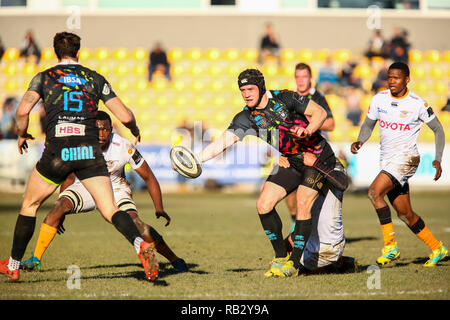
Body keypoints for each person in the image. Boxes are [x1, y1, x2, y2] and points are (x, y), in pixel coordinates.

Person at [0, 32, 158, 282]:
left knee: (30, 205)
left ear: (54, 53)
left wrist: (22, 133)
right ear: (78, 52)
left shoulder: (44, 77)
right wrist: (134, 128)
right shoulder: (93, 78)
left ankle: (14, 264)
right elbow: (125, 116)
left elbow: (22, 111)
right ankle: (139, 244)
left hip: (57, 151)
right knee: (110, 209)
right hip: (89, 150)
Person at [196, 68, 339, 278]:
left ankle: (295, 264)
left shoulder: (286, 97)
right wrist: (195, 160)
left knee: (302, 201)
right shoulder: (246, 117)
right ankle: (281, 258)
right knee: (263, 204)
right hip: (290, 161)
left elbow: (320, 113)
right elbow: (221, 144)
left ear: (261, 87)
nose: (246, 94)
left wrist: (308, 130)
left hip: (316, 157)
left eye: (250, 88)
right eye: (242, 90)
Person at [21, 111, 188, 273]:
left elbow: (149, 177)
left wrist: (159, 207)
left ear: (111, 130)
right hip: (87, 185)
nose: (102, 133)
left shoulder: (124, 146)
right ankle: (35, 260)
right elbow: (70, 178)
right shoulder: (81, 144)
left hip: (116, 186)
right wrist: (62, 211)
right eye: (97, 129)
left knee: (135, 223)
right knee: (57, 207)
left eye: (106, 129)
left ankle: (174, 259)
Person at [351, 61, 447, 267]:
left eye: (396, 78)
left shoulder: (417, 104)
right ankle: (437, 248)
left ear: (407, 79)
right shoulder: (379, 99)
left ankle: (391, 246)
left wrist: (438, 158)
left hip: (407, 159)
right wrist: (360, 140)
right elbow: (368, 124)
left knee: (374, 193)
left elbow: (438, 130)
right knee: (405, 214)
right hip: (388, 161)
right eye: (389, 77)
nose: (391, 81)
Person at [279, 153, 355, 275]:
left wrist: (315, 163)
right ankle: (341, 263)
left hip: (327, 249)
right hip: (327, 242)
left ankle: (334, 266)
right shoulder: (312, 175)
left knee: (291, 268)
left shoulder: (331, 169)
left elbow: (343, 184)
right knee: (284, 245)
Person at [284, 62, 335, 229]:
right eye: (297, 77)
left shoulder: (318, 98)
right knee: (288, 192)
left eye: (304, 76)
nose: (300, 81)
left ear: (311, 78)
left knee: (310, 199)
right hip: (293, 152)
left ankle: (302, 232)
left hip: (315, 153)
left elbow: (331, 124)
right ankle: (296, 225)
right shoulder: (290, 97)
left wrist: (309, 122)